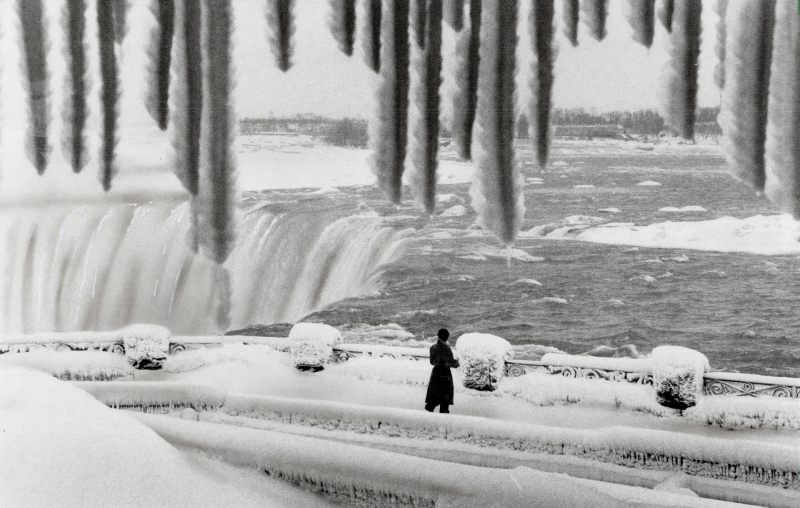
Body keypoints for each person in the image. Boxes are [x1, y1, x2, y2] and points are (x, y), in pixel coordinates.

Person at [425, 328, 460, 413]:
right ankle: (443, 420)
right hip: (445, 375)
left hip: (435, 374)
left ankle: (427, 417)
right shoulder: (447, 349)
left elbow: (432, 362)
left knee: (433, 398)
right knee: (445, 401)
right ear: (447, 337)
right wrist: (457, 362)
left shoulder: (433, 348)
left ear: (438, 336)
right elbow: (450, 363)